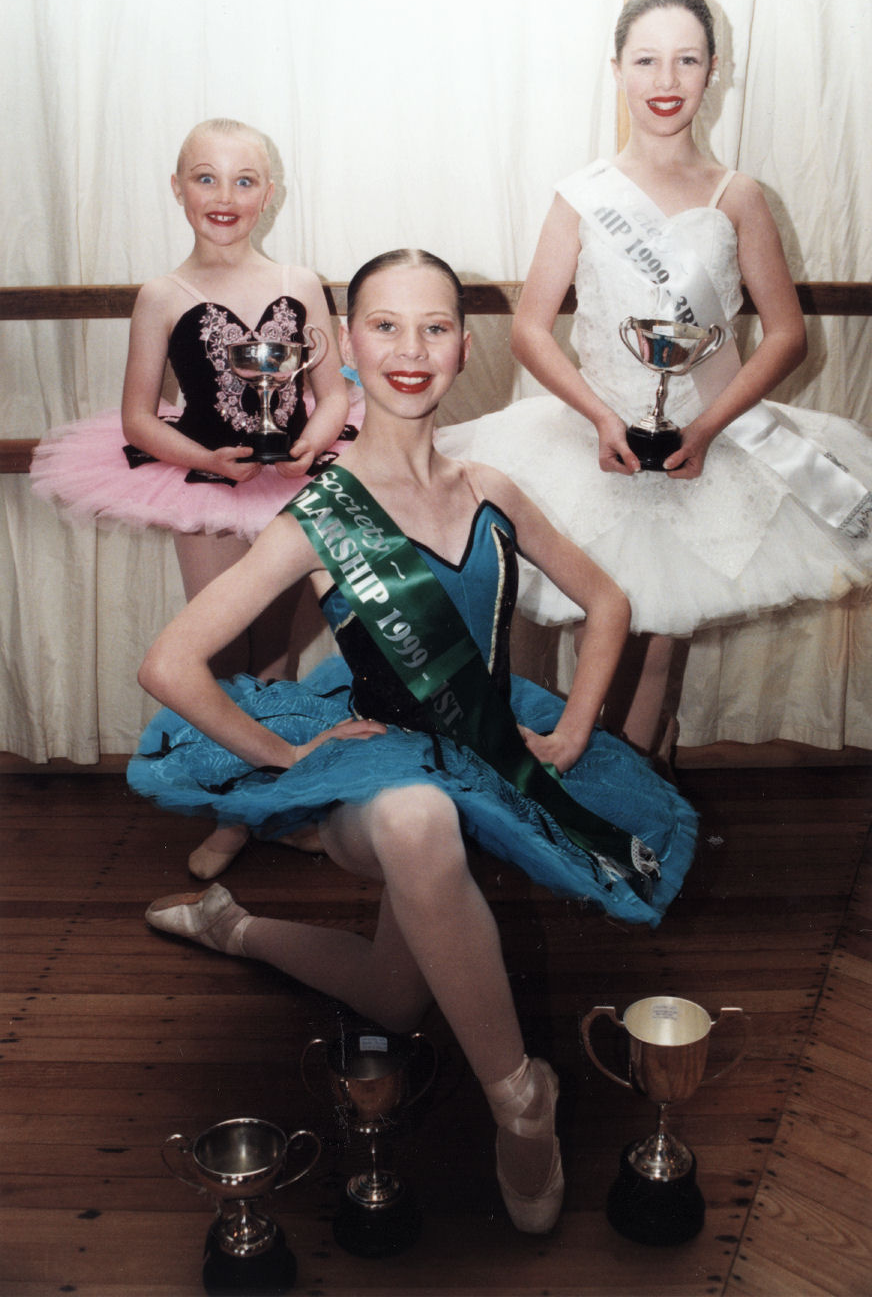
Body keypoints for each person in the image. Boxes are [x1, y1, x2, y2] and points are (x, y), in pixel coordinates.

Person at [129, 248, 698, 1233]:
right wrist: (283, 756)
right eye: (384, 326)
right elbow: (171, 662)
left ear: (462, 347)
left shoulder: (491, 489)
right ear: (347, 346)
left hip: (478, 755)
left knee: (396, 995)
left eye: (433, 327)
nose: (410, 348)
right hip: (370, 778)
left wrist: (569, 729)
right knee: (413, 816)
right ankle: (520, 1096)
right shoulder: (316, 515)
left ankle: (232, 925)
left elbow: (607, 601)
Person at [436, 0, 872, 759]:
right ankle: (583, 785)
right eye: (647, 60)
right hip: (587, 432)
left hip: (700, 437)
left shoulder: (741, 197)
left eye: (686, 61)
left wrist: (706, 426)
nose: (665, 81)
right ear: (617, 70)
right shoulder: (582, 194)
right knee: (585, 612)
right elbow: (534, 331)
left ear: (713, 73)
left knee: (665, 627)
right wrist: (601, 416)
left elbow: (785, 336)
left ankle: (641, 791)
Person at [30, 117, 363, 876]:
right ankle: (227, 813)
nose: (225, 195)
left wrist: (316, 440)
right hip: (207, 488)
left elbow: (334, 390)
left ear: (269, 195)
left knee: (276, 654)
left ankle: (272, 805)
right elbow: (139, 418)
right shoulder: (163, 294)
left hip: (295, 486)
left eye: (244, 181)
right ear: (177, 189)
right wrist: (209, 457)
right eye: (205, 178)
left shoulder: (299, 283)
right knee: (217, 657)